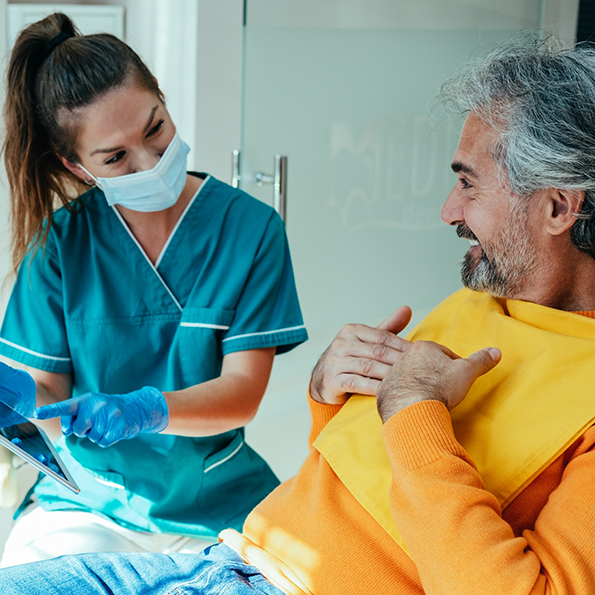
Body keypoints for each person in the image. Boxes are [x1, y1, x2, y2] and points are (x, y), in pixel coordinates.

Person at [5, 33, 595, 594]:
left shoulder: (578, 395)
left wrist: (414, 408)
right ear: (77, 165)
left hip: (249, 556)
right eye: (114, 157)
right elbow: (348, 474)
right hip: (234, 555)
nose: (446, 211)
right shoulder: (482, 295)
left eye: (468, 184)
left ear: (559, 206)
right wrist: (328, 396)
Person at [0, 12, 307, 567]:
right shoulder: (60, 245)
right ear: (77, 165)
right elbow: (45, 389)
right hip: (89, 505)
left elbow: (243, 394)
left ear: (163, 100)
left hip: (218, 502)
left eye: (155, 128)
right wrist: (20, 401)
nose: (151, 161)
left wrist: (148, 409)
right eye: (114, 157)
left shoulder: (252, 230)